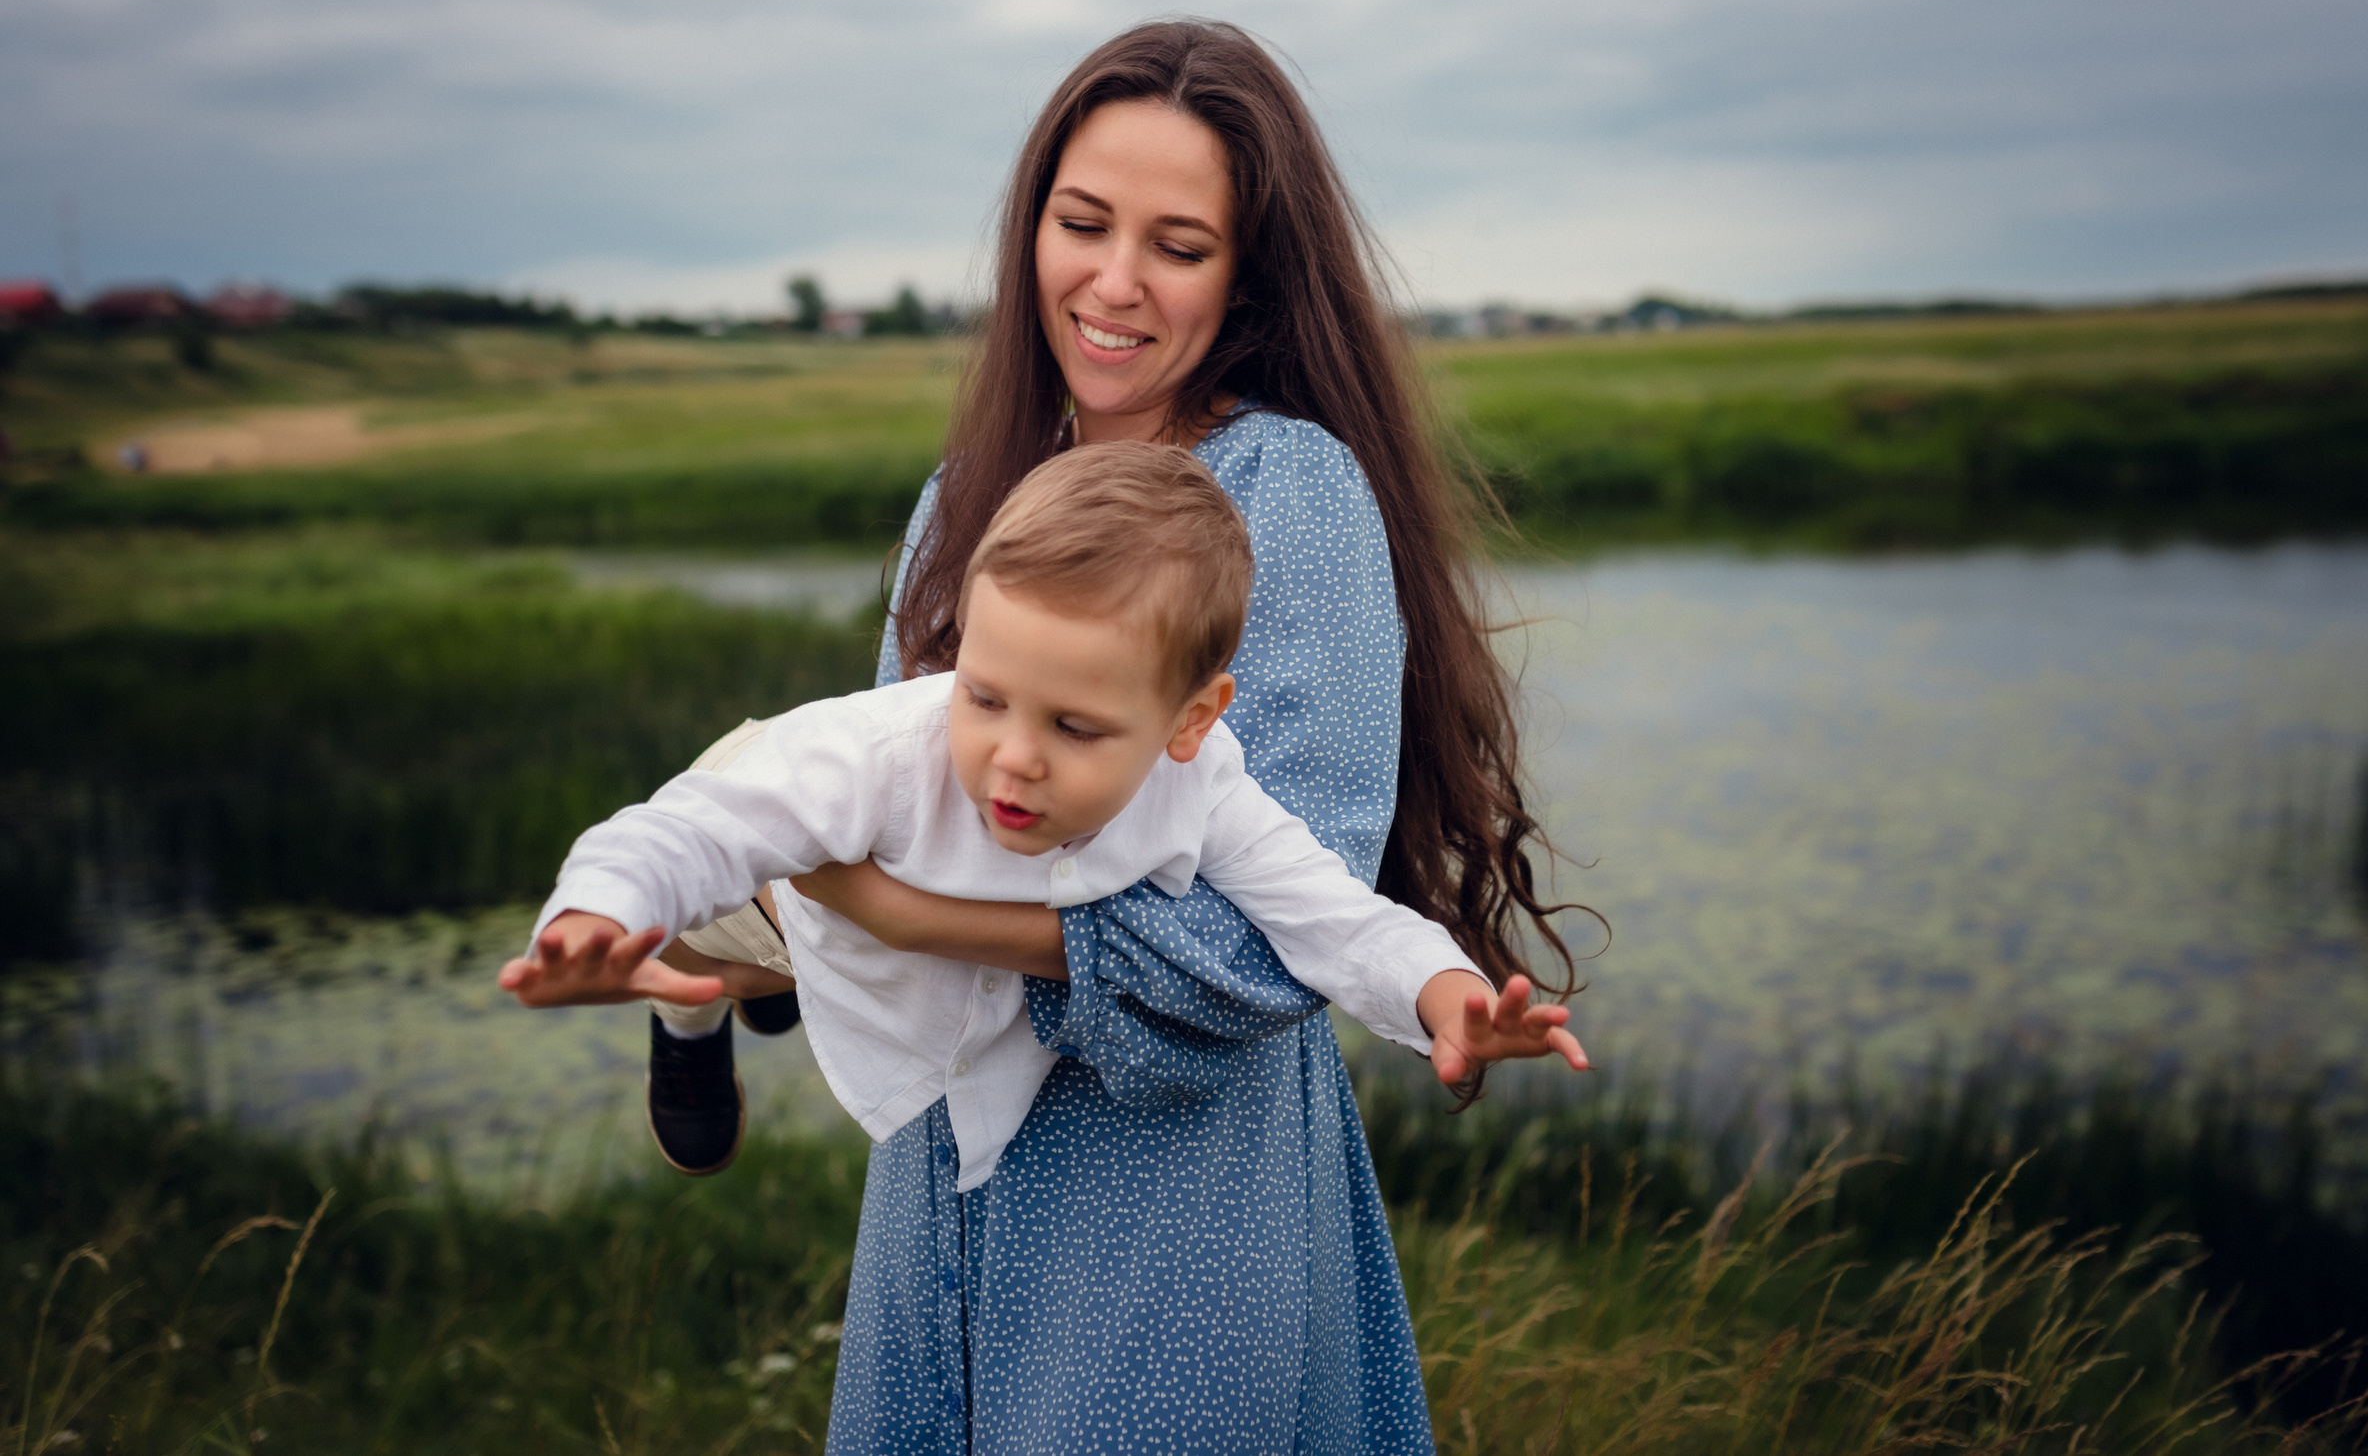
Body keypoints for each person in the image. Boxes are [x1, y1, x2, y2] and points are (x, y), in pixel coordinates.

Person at [620, 17, 1583, 1452]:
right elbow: (900, 782)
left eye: (1177, 245)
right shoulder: (967, 494)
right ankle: (722, 976)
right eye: (1081, 224)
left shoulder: (1287, 491)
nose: (1114, 281)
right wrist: (838, 893)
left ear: (1246, 273)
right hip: (942, 1180)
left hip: (1172, 1211)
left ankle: (734, 971)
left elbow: (1265, 936)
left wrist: (893, 912)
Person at [500, 443, 1584, 1197]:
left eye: (1073, 725)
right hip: (776, 836)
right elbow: (685, 831)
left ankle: (777, 991)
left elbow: (1335, 919)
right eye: (982, 694)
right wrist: (593, 913)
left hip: (880, 928)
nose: (1014, 756)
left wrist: (1446, 995)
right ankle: (688, 1021)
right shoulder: (878, 754)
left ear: (1191, 720)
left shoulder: (1207, 788)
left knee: (796, 965)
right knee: (710, 952)